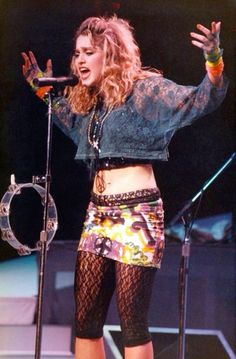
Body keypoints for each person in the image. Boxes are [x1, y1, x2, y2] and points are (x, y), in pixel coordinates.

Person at [21, 16, 228, 359]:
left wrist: (214, 61)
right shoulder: (89, 102)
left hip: (137, 214)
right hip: (98, 214)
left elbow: (200, 100)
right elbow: (69, 122)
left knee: (132, 323)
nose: (79, 61)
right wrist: (42, 91)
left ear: (111, 54)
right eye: (77, 54)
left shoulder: (145, 90)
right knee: (86, 320)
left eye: (89, 52)